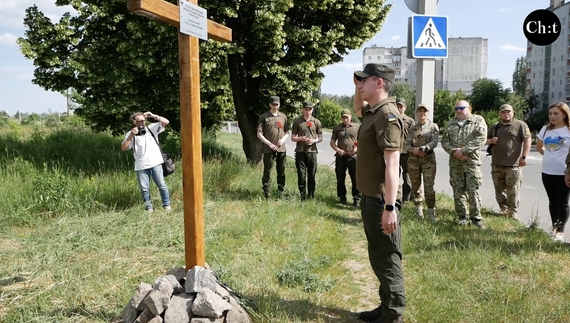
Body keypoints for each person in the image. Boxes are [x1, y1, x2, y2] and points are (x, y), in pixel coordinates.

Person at [352, 63, 406, 323]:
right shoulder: (372, 112)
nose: (360, 85)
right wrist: (357, 88)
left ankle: (393, 315)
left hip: (381, 201)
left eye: (364, 80)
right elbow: (358, 108)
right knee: (378, 255)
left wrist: (389, 207)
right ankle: (385, 307)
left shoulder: (387, 115)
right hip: (371, 198)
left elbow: (392, 164)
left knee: (387, 257)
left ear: (379, 83)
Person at [441, 100, 487, 228]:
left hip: (471, 162)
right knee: (458, 190)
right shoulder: (450, 124)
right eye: (456, 109)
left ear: (469, 108)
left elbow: (481, 138)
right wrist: (454, 152)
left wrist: (464, 150)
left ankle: (476, 218)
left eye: (462, 108)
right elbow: (444, 141)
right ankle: (462, 217)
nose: (459, 111)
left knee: (473, 190)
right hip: (455, 163)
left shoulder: (478, 120)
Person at [486, 104, 531, 220]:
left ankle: (513, 212)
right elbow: (484, 140)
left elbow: (527, 140)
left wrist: (524, 157)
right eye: (503, 112)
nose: (506, 114)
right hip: (497, 164)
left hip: (514, 165)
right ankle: (504, 210)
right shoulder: (495, 127)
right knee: (499, 190)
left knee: (513, 190)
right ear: (499, 114)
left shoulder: (520, 125)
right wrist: (490, 140)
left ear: (513, 112)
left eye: (508, 112)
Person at [121, 111, 172, 212]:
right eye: (139, 121)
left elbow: (166, 122)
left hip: (155, 162)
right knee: (144, 188)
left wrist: (154, 115)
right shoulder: (130, 133)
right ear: (134, 122)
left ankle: (167, 205)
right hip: (141, 165)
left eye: (144, 121)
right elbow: (123, 148)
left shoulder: (151, 128)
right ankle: (149, 208)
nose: (142, 123)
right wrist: (132, 135)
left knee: (161, 185)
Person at [537, 102, 570, 242]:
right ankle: (554, 227)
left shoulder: (568, 131)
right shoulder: (545, 129)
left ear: (564, 114)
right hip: (547, 171)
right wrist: (549, 156)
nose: (552, 116)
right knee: (552, 201)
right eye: (550, 114)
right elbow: (539, 146)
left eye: (556, 113)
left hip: (564, 172)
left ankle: (560, 231)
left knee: (562, 202)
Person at [405, 103, 439, 221]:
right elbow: (407, 144)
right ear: (417, 113)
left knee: (429, 187)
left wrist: (425, 148)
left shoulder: (433, 126)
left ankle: (431, 212)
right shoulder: (413, 128)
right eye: (420, 111)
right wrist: (413, 150)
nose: (422, 113)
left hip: (428, 160)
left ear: (428, 113)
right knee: (416, 186)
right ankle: (419, 212)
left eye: (424, 111)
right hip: (414, 160)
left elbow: (434, 142)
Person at [257, 95, 290, 199]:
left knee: (281, 170)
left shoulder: (283, 117)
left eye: (277, 104)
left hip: (281, 149)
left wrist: (282, 140)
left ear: (279, 105)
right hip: (268, 149)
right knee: (268, 170)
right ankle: (266, 192)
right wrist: (269, 144)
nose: (275, 106)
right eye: (273, 104)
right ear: (270, 105)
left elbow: (287, 132)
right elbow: (259, 134)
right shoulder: (264, 117)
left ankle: (280, 192)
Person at [291, 101, 323, 200]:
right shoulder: (297, 122)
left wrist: (314, 140)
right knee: (301, 175)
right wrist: (301, 138)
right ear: (302, 109)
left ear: (312, 110)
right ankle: (302, 195)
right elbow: (293, 138)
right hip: (300, 151)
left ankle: (311, 194)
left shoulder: (316, 122)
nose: (308, 111)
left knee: (312, 175)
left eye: (310, 109)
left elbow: (320, 137)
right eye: (306, 109)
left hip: (312, 152)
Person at [330, 109, 361, 206]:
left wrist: (356, 149)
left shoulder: (357, 127)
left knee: (355, 178)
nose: (345, 119)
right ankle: (342, 198)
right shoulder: (337, 128)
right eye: (343, 117)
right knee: (340, 178)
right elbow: (332, 142)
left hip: (353, 157)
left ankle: (357, 198)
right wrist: (338, 150)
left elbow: (362, 140)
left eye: (347, 117)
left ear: (350, 117)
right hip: (341, 157)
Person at [396, 98, 415, 205]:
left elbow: (415, 136)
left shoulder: (410, 121)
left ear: (405, 108)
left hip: (406, 152)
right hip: (394, 152)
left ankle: (406, 197)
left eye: (401, 106)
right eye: (398, 106)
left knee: (407, 176)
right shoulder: (391, 119)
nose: (399, 108)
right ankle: (395, 196)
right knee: (394, 175)